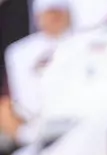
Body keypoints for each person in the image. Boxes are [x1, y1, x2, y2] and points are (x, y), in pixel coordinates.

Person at [1, 0, 73, 143]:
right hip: (32, 130)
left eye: (58, 11)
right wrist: (20, 131)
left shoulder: (87, 44)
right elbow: (7, 104)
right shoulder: (19, 53)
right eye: (49, 12)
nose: (53, 17)